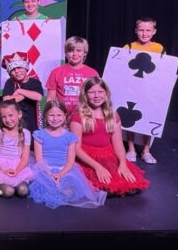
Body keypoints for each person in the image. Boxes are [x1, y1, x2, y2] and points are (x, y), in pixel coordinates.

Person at [69, 77, 150, 196]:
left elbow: (118, 145)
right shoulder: (78, 117)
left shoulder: (113, 116)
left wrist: (122, 163)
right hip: (87, 156)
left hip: (107, 154)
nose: (97, 96)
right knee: (101, 187)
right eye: (92, 92)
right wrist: (97, 167)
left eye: (100, 92)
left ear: (106, 94)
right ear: (85, 95)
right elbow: (76, 148)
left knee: (129, 186)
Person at [30, 100, 106, 209]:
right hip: (45, 169)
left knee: (69, 190)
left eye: (59, 115)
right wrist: (49, 174)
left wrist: (60, 174)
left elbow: (70, 161)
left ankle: (61, 191)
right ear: (45, 116)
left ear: (65, 116)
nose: (55, 119)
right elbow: (39, 160)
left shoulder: (70, 137)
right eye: (51, 115)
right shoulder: (39, 135)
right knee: (44, 186)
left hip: (65, 169)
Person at [123, 17, 164, 164]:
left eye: (148, 30)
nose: (144, 33)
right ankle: (131, 149)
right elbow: (121, 69)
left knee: (148, 117)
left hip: (150, 91)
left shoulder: (159, 48)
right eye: (141, 30)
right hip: (132, 89)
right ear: (136, 31)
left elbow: (162, 71)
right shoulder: (128, 47)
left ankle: (146, 150)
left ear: (154, 32)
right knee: (129, 117)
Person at [46, 36, 99, 118]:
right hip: (62, 119)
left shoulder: (92, 73)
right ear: (66, 53)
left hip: (85, 117)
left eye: (78, 51)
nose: (74, 54)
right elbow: (50, 99)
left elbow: (97, 98)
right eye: (70, 51)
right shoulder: (56, 72)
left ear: (85, 53)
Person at [0, 101, 34, 197]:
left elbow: (25, 158)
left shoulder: (26, 133)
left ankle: (16, 183)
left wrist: (17, 171)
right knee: (9, 191)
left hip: (18, 166)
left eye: (10, 115)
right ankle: (0, 184)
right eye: (4, 117)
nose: (8, 120)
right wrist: (1, 171)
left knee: (23, 190)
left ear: (19, 114)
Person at [1, 51, 44, 134]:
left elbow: (38, 97)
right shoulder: (10, 82)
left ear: (26, 68)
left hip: (32, 122)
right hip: (14, 123)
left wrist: (19, 91)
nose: (17, 71)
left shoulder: (34, 82)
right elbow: (7, 101)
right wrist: (27, 94)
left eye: (20, 68)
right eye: (13, 69)